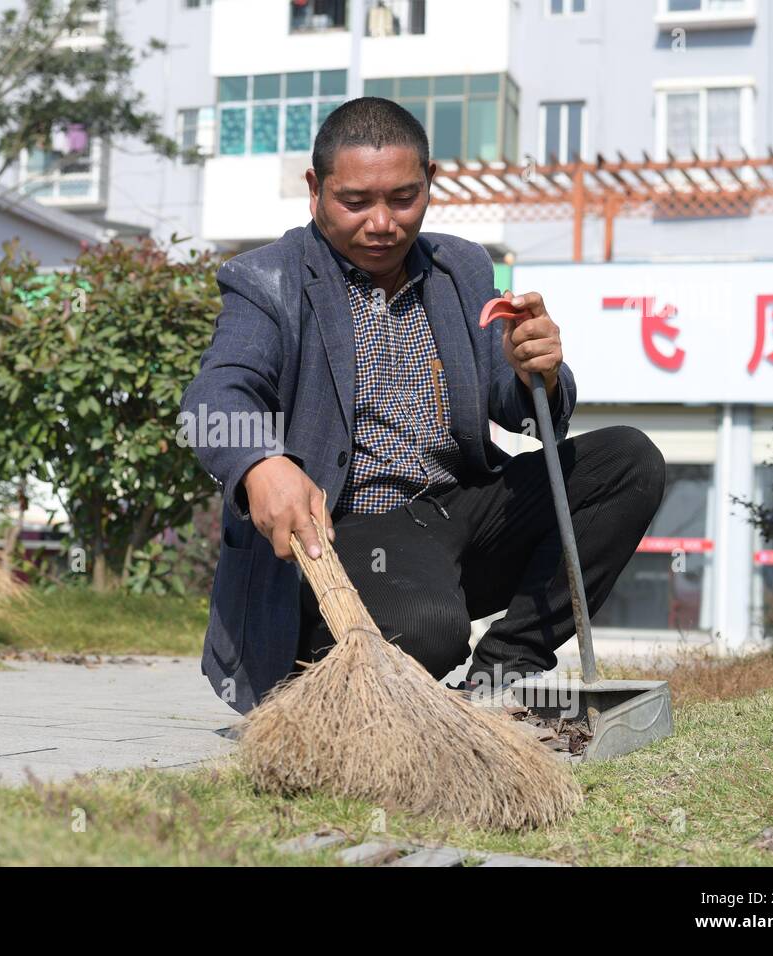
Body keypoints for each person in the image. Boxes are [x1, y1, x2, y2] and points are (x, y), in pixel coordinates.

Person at [181, 97, 666, 715]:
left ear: (430, 182)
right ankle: (322, 661)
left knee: (629, 460)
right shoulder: (266, 279)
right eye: (355, 202)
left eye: (403, 198)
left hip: (458, 511)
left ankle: (503, 673)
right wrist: (259, 464)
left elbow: (517, 411)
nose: (381, 223)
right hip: (344, 534)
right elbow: (215, 395)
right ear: (314, 188)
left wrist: (534, 373)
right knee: (430, 632)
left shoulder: (460, 267)